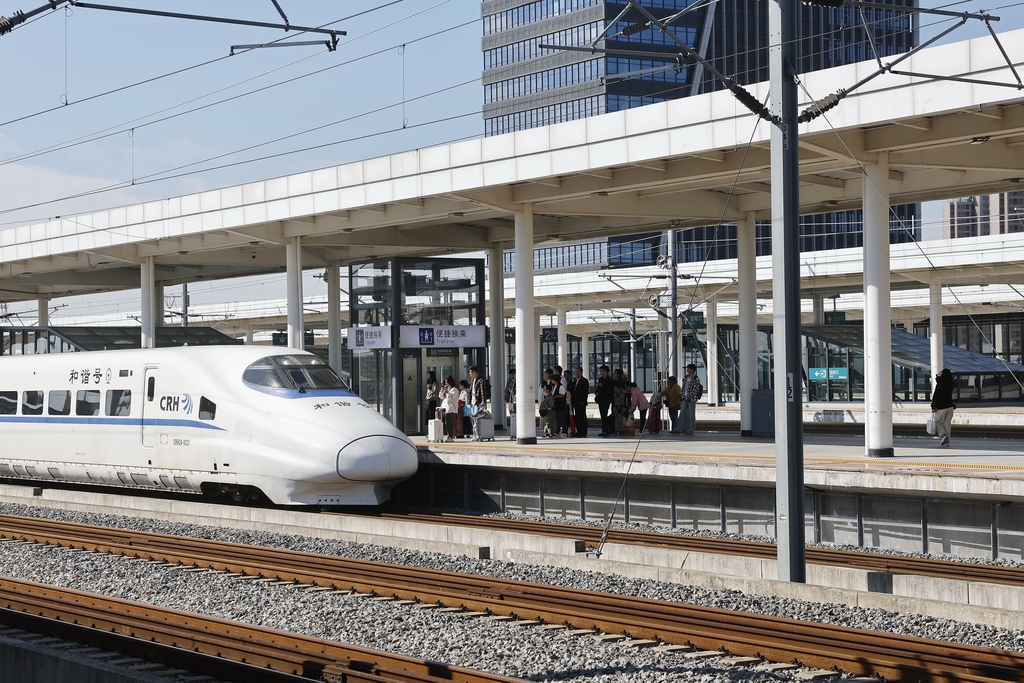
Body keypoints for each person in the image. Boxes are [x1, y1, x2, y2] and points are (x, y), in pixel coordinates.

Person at [930, 368, 955, 447]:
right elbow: (942, 383)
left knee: (938, 423)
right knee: (947, 424)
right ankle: (947, 441)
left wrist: (933, 406)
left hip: (941, 407)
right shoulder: (950, 383)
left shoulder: (941, 384)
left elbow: (936, 395)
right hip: (950, 407)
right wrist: (939, 377)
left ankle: (943, 436)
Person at [680, 364, 703, 436]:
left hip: (692, 399)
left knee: (691, 415)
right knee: (681, 413)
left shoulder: (696, 378)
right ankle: (679, 428)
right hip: (685, 398)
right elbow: (683, 387)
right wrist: (683, 395)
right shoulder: (686, 377)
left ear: (692, 369)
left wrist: (689, 396)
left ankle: (691, 430)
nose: (687, 369)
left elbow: (695, 389)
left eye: (689, 368)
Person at [569, 366, 590, 437]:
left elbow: (585, 392)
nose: (577, 373)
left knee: (582, 416)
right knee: (577, 417)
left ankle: (584, 431)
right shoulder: (574, 380)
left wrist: (583, 401)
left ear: (581, 372)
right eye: (576, 371)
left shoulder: (584, 381)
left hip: (581, 402)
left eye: (578, 371)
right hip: (575, 402)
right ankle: (578, 431)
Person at [468, 365, 487, 441]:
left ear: (475, 372)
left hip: (478, 402)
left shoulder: (481, 380)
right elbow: (472, 390)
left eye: (470, 372)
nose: (470, 374)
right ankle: (475, 434)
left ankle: (477, 435)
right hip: (472, 402)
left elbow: (483, 391)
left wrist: (483, 401)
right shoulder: (472, 380)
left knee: (477, 420)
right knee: (473, 419)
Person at [594, 365, 614, 437]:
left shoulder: (609, 380)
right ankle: (603, 430)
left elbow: (610, 390)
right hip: (600, 398)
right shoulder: (601, 379)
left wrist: (602, 386)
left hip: (606, 399)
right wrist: (596, 392)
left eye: (602, 370)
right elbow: (598, 388)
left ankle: (606, 430)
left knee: (604, 414)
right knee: (602, 415)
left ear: (606, 371)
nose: (601, 372)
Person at [551, 366, 569, 438]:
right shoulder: (555, 386)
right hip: (556, 405)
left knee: (562, 419)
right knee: (557, 419)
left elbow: (562, 394)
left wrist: (554, 397)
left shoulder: (561, 386)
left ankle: (564, 431)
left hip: (561, 405)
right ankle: (557, 431)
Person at [441, 376, 460, 441]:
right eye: (445, 382)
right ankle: (446, 435)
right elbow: (441, 397)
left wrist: (447, 392)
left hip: (450, 408)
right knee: (445, 423)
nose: (446, 383)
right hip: (444, 407)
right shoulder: (447, 388)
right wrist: (442, 391)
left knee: (449, 423)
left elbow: (451, 398)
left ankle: (450, 436)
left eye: (447, 381)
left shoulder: (454, 389)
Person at [504, 368, 516, 435]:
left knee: (514, 412)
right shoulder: (509, 381)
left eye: (512, 374)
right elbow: (508, 389)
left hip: (514, 399)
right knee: (511, 412)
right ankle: (513, 426)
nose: (511, 376)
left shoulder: (516, 380)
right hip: (510, 399)